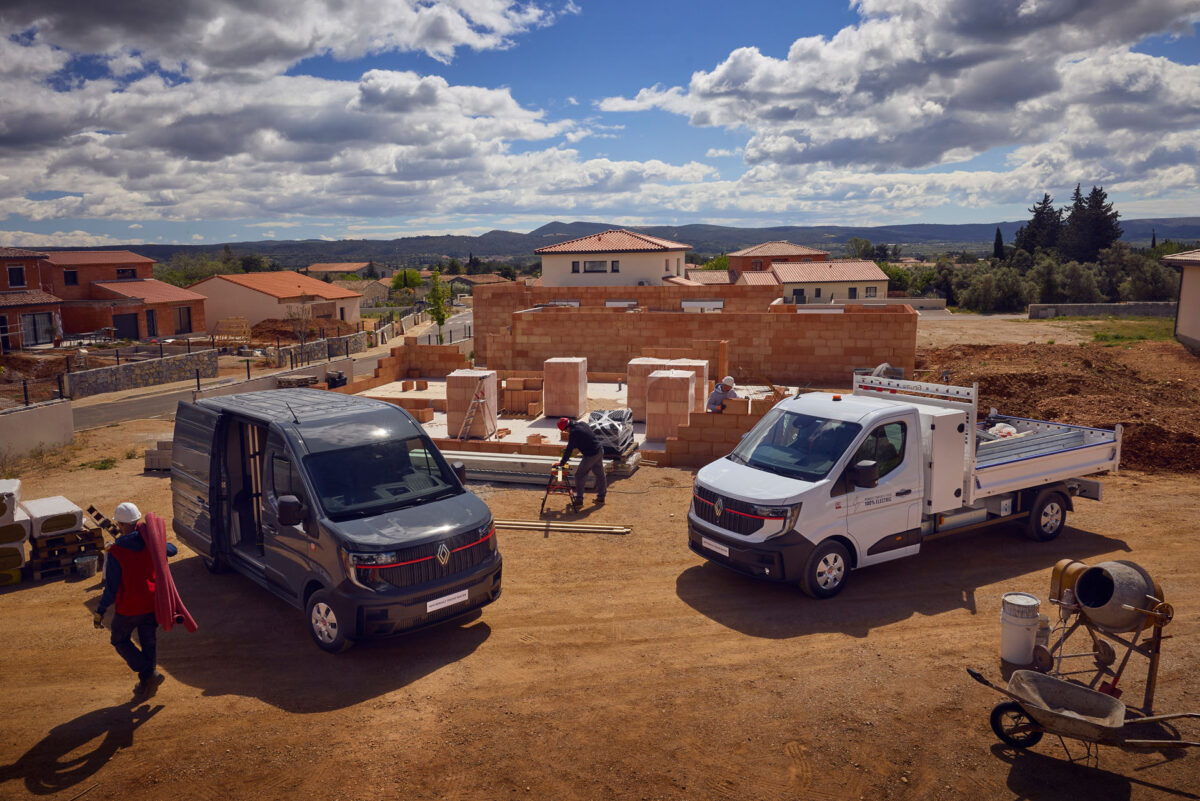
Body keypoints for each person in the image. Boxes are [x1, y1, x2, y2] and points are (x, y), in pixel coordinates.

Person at [93, 502, 171, 695]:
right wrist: (156, 540)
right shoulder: (151, 543)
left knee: (120, 640)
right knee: (148, 642)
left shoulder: (117, 552)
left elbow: (111, 588)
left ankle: (148, 671)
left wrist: (101, 610)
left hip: (129, 607)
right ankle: (147, 684)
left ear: (119, 524)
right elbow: (172, 550)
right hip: (152, 602)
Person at [556, 417, 606, 509]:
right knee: (600, 474)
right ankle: (601, 498)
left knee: (579, 475)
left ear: (568, 427)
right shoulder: (582, 424)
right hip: (599, 450)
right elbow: (586, 437)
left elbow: (569, 449)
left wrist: (562, 462)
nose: (567, 432)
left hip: (591, 455)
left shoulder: (574, 433)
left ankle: (579, 500)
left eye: (566, 431)